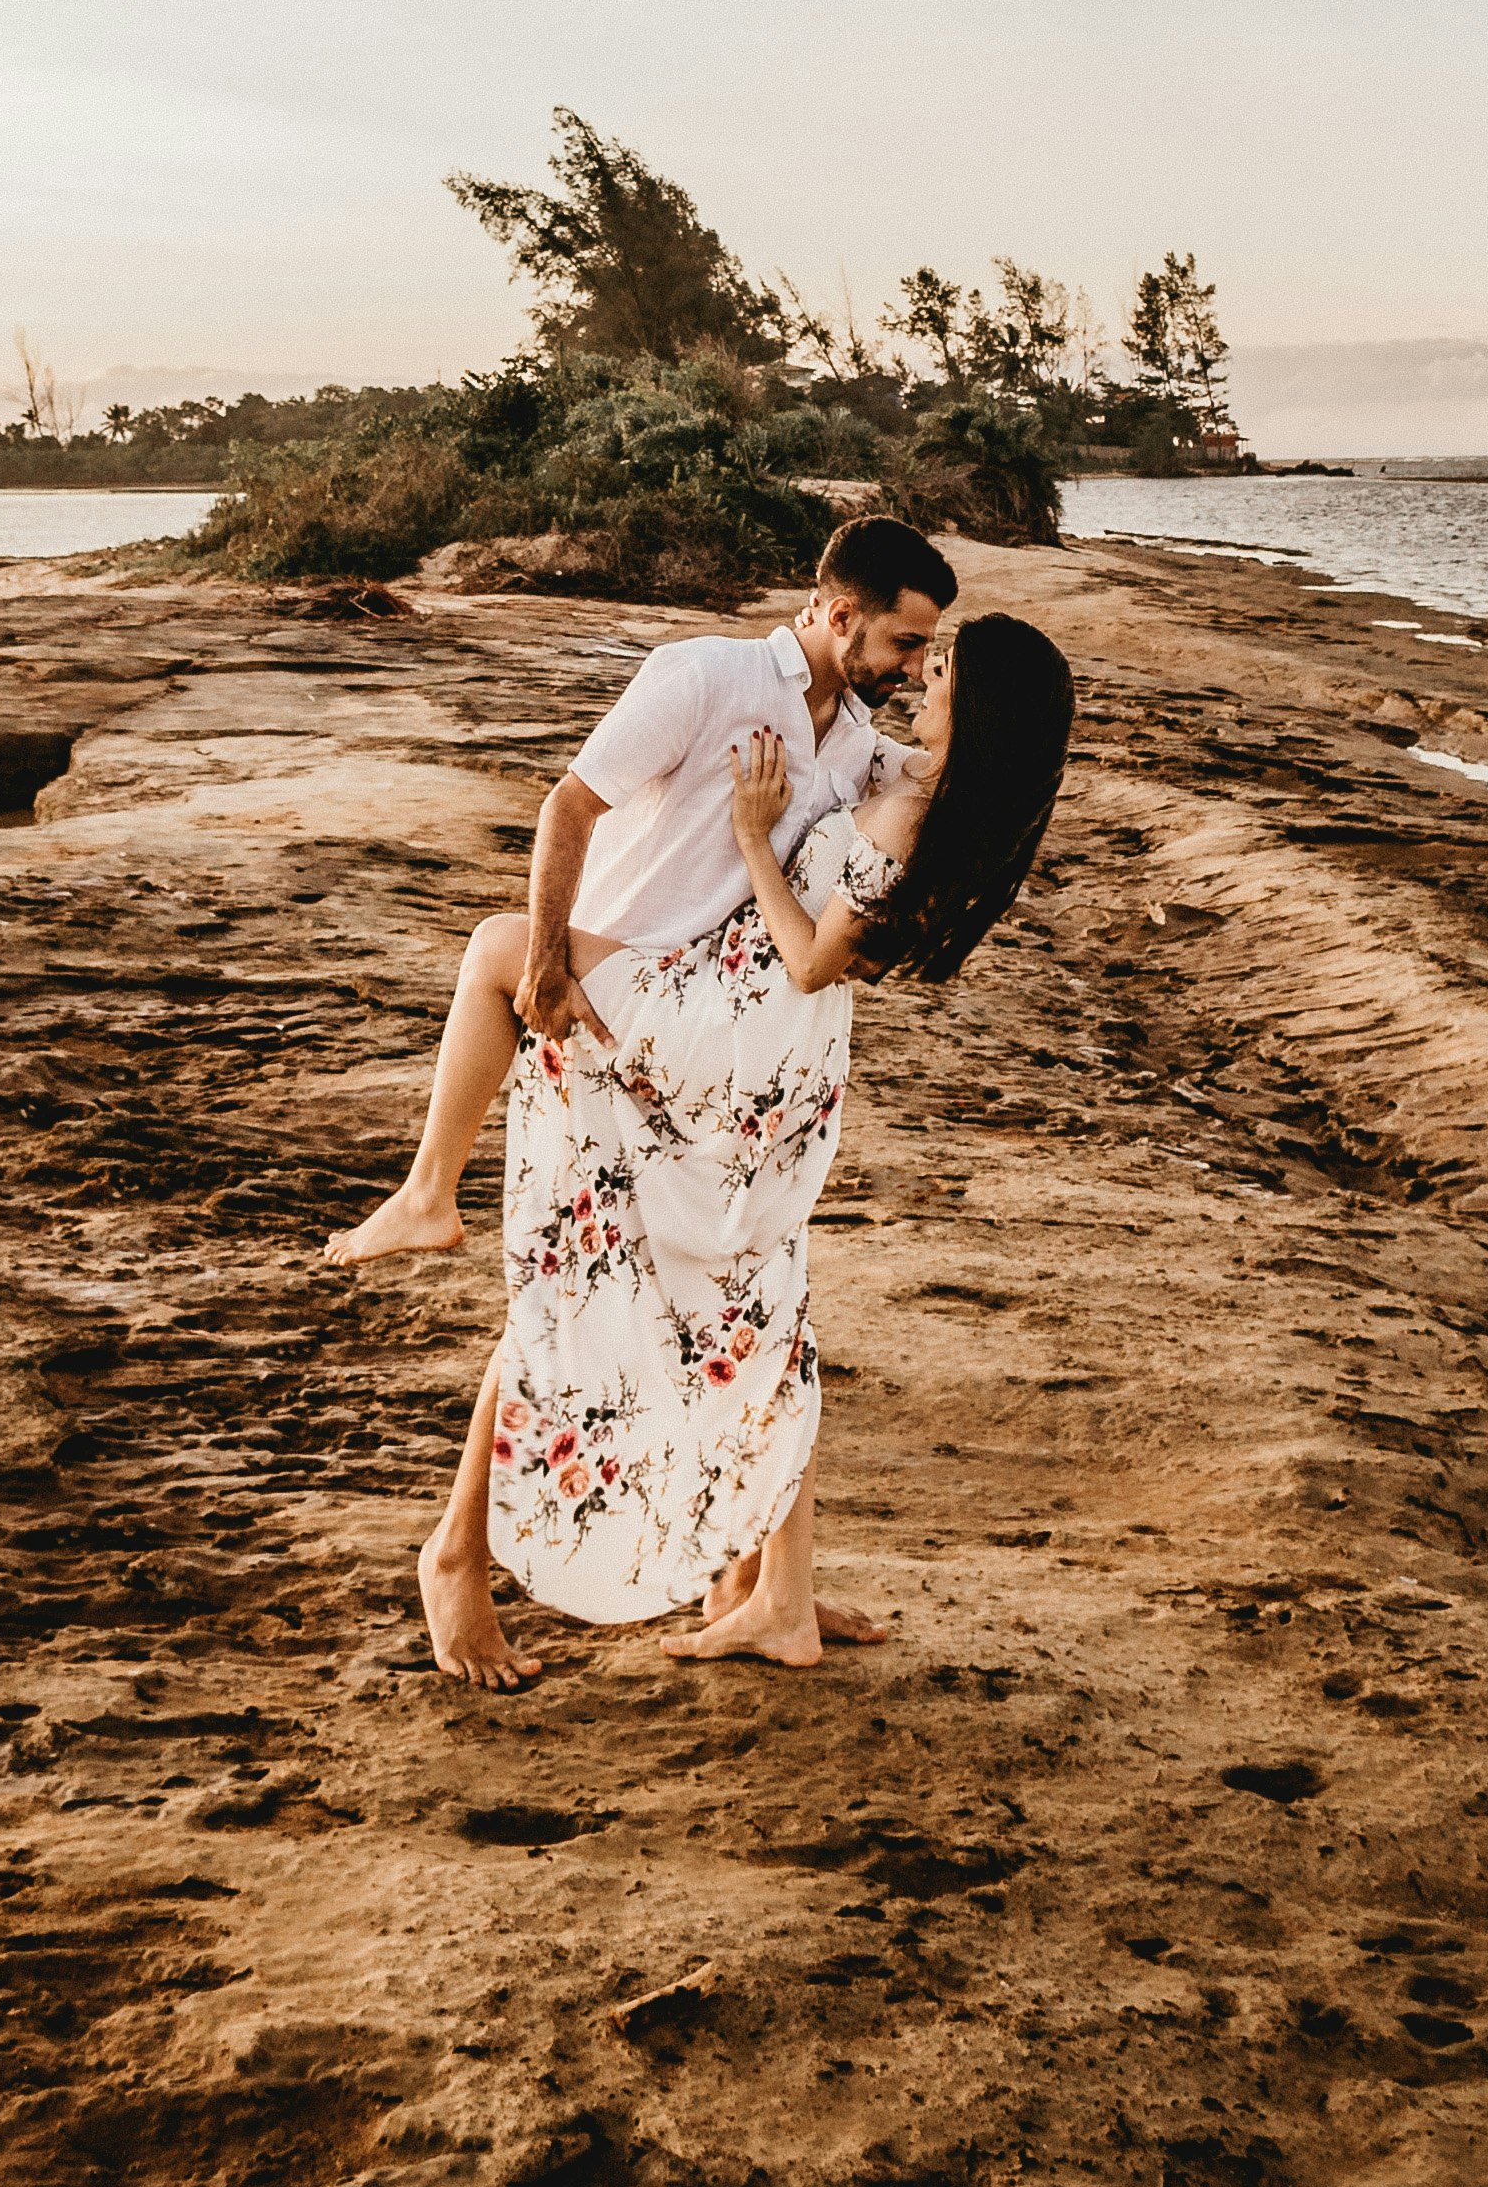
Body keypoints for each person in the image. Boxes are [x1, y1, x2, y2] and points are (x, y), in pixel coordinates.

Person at [410, 600, 1076, 1685]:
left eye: (943, 664)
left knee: (504, 967)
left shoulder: (918, 812)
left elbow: (813, 959)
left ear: (978, 698)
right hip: (788, 1070)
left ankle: (428, 1196)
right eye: (924, 651)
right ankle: (775, 1595)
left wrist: (750, 842)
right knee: (755, 1313)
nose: (926, 675)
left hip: (736, 1031)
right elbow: (852, 768)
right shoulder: (922, 786)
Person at [321, 514, 959, 1271]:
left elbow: (942, 787)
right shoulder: (705, 675)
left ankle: (428, 1191)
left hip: (707, 1022)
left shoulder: (859, 739)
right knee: (575, 1267)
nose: (915, 670)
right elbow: (570, 804)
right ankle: (428, 1197)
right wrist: (549, 965)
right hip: (613, 989)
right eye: (906, 643)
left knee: (581, 1253)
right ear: (841, 616)